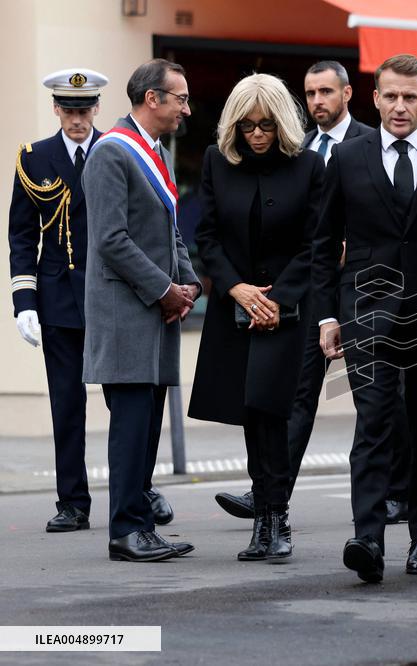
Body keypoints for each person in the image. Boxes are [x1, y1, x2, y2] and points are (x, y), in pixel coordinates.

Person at [211, 61, 414, 525]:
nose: (317, 101)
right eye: (309, 93)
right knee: (295, 396)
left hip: (364, 291)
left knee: (381, 395)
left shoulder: (373, 142)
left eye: (326, 91)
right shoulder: (291, 149)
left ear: (347, 94)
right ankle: (271, 495)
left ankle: (400, 491)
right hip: (309, 294)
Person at [313, 54, 417, 583]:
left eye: (410, 97)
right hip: (366, 312)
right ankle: (367, 537)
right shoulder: (347, 157)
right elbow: (323, 245)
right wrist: (326, 317)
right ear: (375, 98)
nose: (399, 106)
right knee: (374, 423)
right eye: (390, 96)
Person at [188, 73, 324, 561]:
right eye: (247, 126)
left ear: (282, 122)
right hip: (234, 308)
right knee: (251, 417)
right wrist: (237, 290)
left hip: (288, 313)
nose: (258, 134)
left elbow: (316, 244)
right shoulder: (215, 162)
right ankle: (263, 521)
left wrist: (277, 299)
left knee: (275, 412)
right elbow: (207, 237)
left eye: (266, 125)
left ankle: (277, 518)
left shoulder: (309, 166)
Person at [82, 58, 200, 562]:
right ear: (151, 98)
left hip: (154, 311)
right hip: (126, 312)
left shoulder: (158, 155)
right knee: (131, 425)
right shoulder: (112, 153)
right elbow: (111, 240)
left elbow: (170, 230)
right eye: (180, 98)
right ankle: (125, 531)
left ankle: (142, 525)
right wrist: (164, 290)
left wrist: (189, 281)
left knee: (147, 423)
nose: (186, 109)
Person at [9, 68, 103, 533]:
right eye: (68, 110)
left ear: (96, 110)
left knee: (132, 402)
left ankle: (139, 492)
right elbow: (21, 236)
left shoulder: (115, 150)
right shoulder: (35, 158)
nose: (76, 120)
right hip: (59, 299)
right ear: (56, 109)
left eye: (84, 111)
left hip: (110, 298)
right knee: (66, 405)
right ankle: (73, 503)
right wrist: (24, 301)